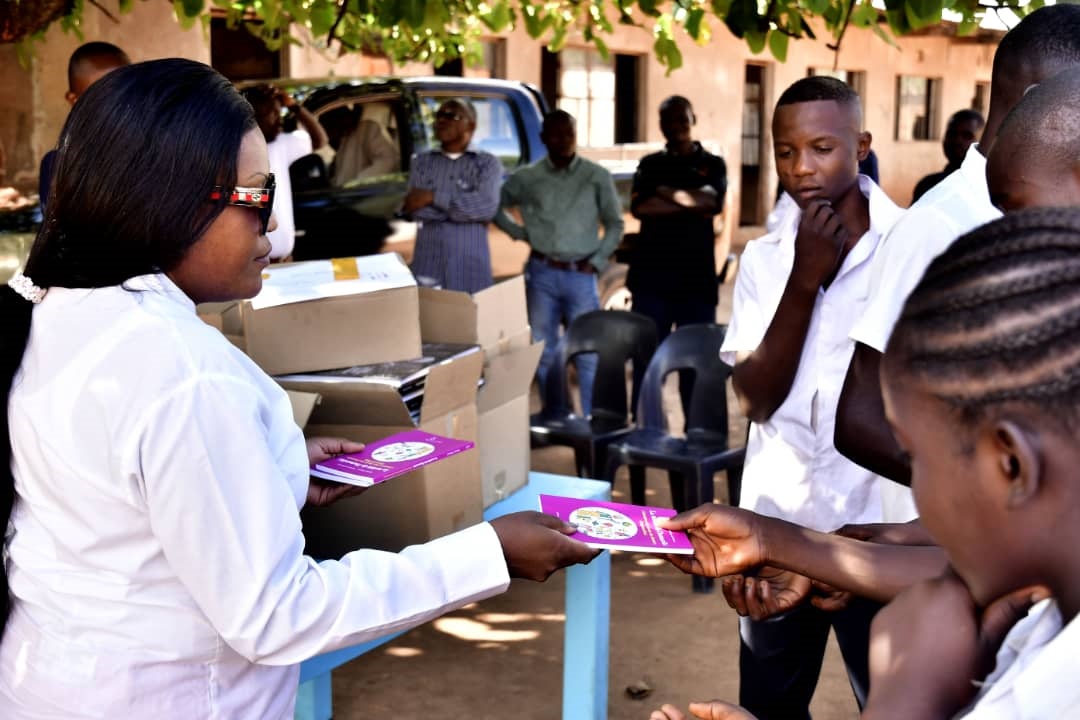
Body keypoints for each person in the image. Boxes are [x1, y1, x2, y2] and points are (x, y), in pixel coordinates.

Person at [0, 58, 597, 718]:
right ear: (166, 203)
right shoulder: (185, 372)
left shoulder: (58, 312)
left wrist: (273, 468)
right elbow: (277, 615)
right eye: (259, 198)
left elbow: (122, 504)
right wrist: (488, 553)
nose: (275, 225)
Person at [655, 206, 1080, 720]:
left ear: (1010, 464)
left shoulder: (1052, 686)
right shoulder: (1046, 602)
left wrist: (909, 692)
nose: (915, 500)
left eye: (916, 459)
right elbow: (941, 562)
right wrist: (771, 539)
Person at [720, 76, 911, 719]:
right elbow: (754, 401)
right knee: (768, 703)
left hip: (880, 537)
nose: (801, 167)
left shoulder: (910, 247)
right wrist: (804, 280)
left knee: (891, 704)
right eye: (785, 151)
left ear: (862, 147)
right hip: (778, 529)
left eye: (822, 148)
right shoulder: (766, 258)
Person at [834, 3, 1080, 489]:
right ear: (1036, 101)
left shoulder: (1053, 213)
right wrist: (1004, 495)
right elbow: (862, 419)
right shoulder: (940, 227)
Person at [494, 110, 624, 416]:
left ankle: (591, 420)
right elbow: (496, 205)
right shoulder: (528, 177)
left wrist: (597, 261)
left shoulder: (595, 175)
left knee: (589, 350)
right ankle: (556, 415)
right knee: (544, 350)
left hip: (582, 274)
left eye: (569, 134)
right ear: (543, 138)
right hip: (542, 273)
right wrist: (521, 233)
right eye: (556, 134)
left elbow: (615, 223)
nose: (564, 140)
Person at [629, 96, 726, 344]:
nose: (675, 125)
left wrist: (662, 190)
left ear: (693, 119)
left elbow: (711, 204)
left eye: (682, 119)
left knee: (695, 360)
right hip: (651, 281)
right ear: (660, 125)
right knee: (648, 358)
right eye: (668, 120)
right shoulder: (650, 164)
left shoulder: (713, 164)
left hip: (697, 282)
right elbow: (641, 208)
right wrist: (691, 203)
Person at [404, 99, 502, 292]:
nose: (442, 120)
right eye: (439, 115)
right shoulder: (422, 162)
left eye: (451, 115)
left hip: (469, 269)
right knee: (430, 312)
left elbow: (485, 208)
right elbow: (415, 208)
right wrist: (465, 211)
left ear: (471, 125)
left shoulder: (486, 163)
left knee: (472, 311)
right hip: (429, 267)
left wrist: (432, 197)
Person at [38, 41, 130, 210]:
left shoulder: (154, 150)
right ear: (74, 100)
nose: (116, 101)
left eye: (125, 90)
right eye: (102, 94)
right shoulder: (58, 166)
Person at [242, 84, 329, 261]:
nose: (280, 119)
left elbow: (320, 140)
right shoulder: (234, 149)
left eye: (279, 112)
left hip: (284, 258)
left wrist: (294, 106)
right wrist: (258, 199)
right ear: (255, 116)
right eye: (273, 113)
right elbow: (223, 196)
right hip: (253, 260)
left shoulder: (282, 144)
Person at [911, 109, 985, 204]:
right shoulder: (927, 185)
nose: (957, 141)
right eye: (952, 134)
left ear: (982, 142)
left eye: (967, 136)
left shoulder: (987, 188)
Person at [330, 102, 400, 186]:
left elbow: (388, 160)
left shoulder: (368, 129)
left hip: (365, 191)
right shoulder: (344, 140)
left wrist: (359, 182)